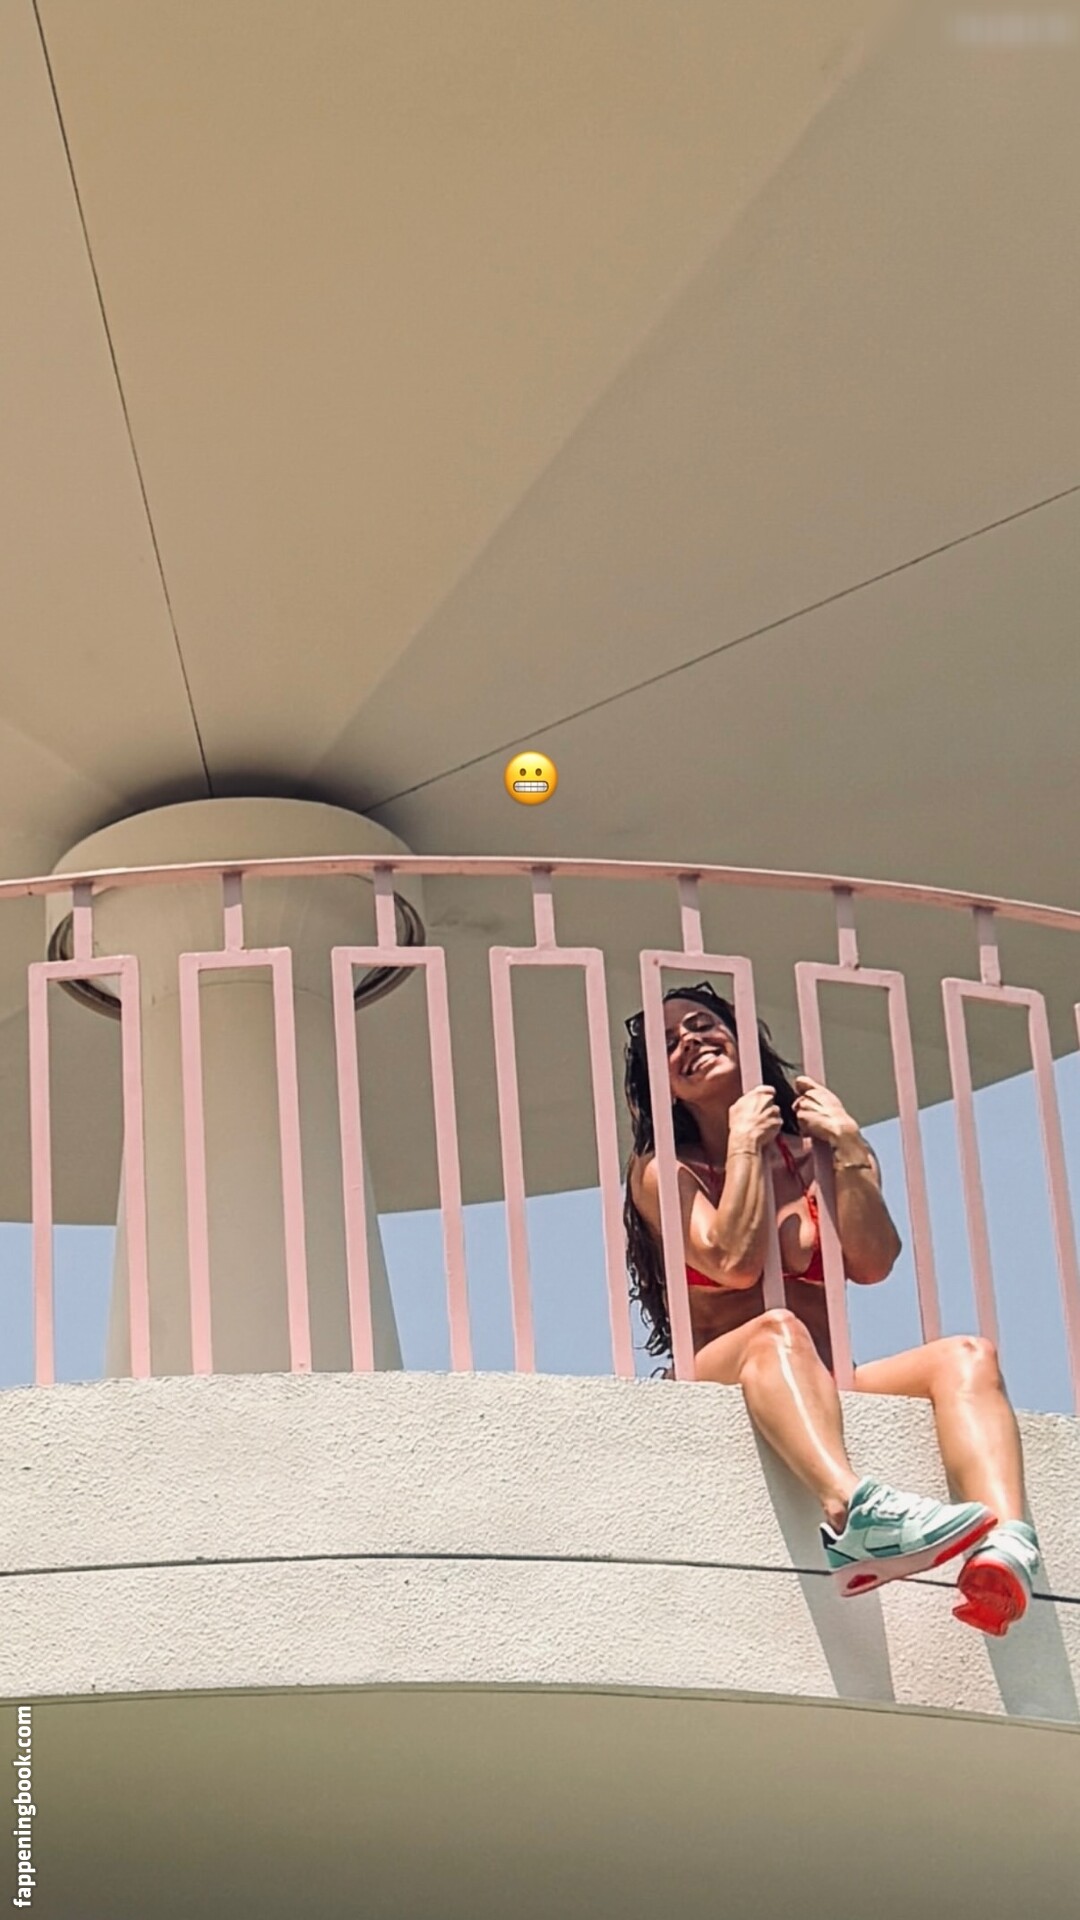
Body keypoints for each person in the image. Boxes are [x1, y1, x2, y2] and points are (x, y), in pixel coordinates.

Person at [623, 981, 1041, 1637]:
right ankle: (851, 1513)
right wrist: (743, 1146)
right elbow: (730, 1260)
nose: (689, 1043)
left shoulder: (812, 1153)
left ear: (741, 1036)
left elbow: (873, 1260)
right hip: (724, 1373)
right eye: (667, 1044)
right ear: (662, 1087)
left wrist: (848, 1149)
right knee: (776, 1329)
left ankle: (1004, 1548)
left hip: (820, 1375)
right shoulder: (662, 1169)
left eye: (701, 1024)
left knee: (967, 1355)